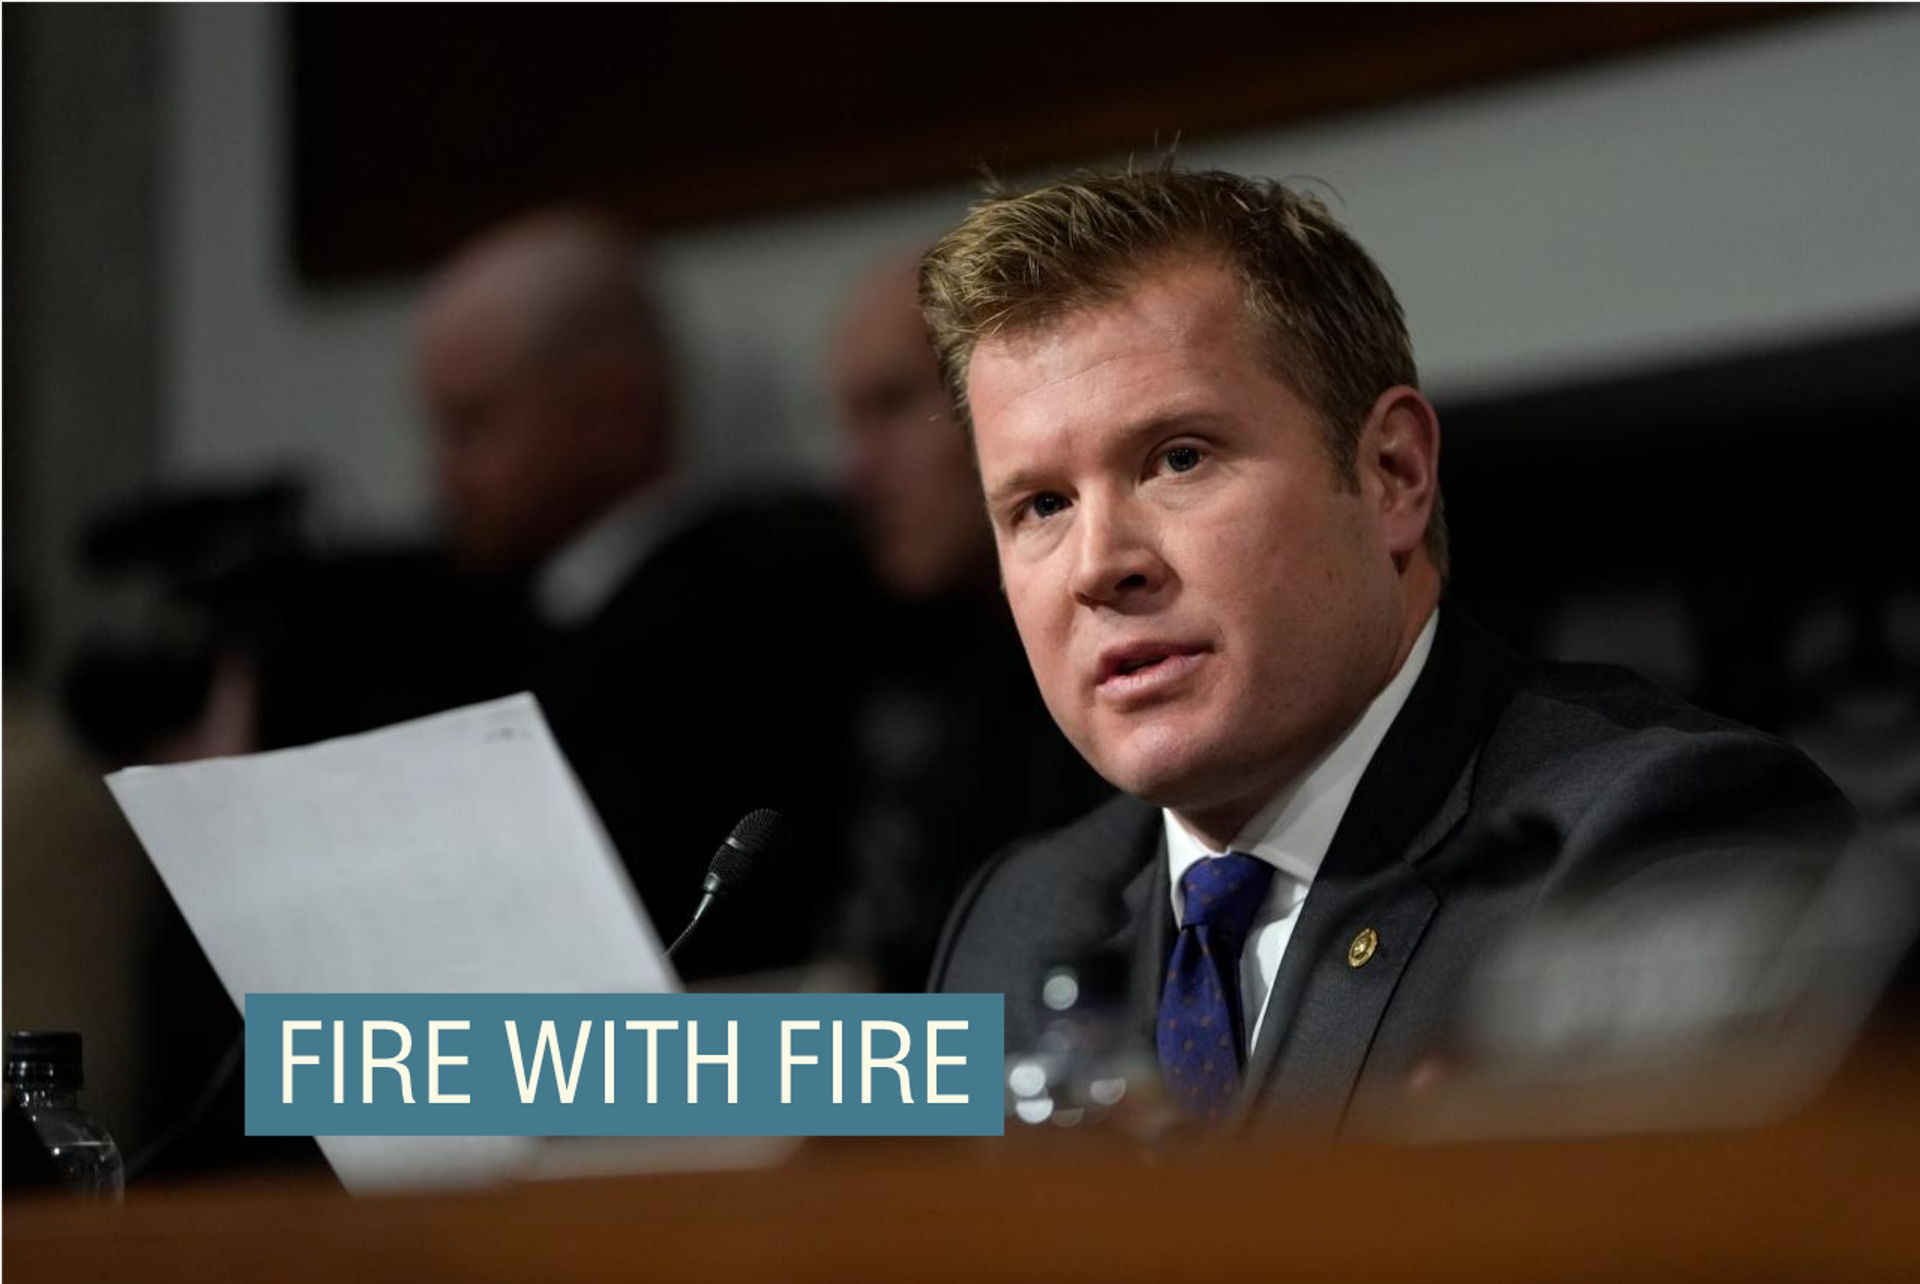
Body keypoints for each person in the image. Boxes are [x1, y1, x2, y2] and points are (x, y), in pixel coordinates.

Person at [921, 164, 1857, 1132]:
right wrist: (758, 1074)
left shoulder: (1649, 838)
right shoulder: (1023, 916)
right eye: (1041, 505)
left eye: (1179, 458)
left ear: (1392, 475)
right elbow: (800, 1138)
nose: (1098, 565)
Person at [415, 210, 867, 977]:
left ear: (610, 405)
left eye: (472, 423)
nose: (441, 472)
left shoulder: (757, 605)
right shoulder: (495, 610)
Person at [827, 252, 1109, 991]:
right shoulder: (885, 646)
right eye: (849, 421)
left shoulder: (1124, 661)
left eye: (892, 407)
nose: (855, 473)